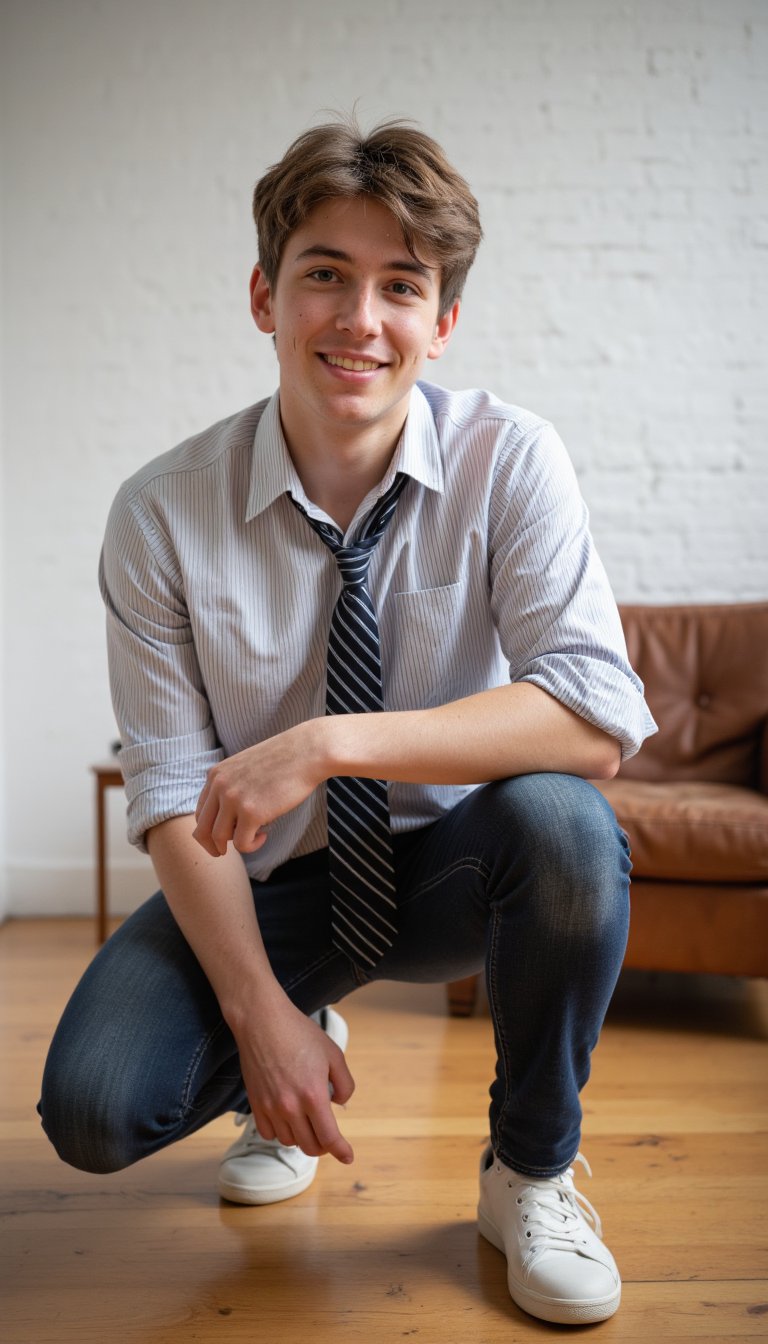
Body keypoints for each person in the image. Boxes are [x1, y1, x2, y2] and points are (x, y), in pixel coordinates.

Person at [39, 117, 656, 1327]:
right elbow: (171, 788)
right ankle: (293, 1017)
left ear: (443, 321)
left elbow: (595, 716)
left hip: (452, 871)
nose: (359, 319)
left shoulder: (511, 460)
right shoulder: (161, 514)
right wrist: (259, 1016)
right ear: (265, 297)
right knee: (97, 1108)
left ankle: (528, 1172)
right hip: (265, 883)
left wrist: (333, 741)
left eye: (400, 286)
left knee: (570, 829)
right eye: (325, 274)